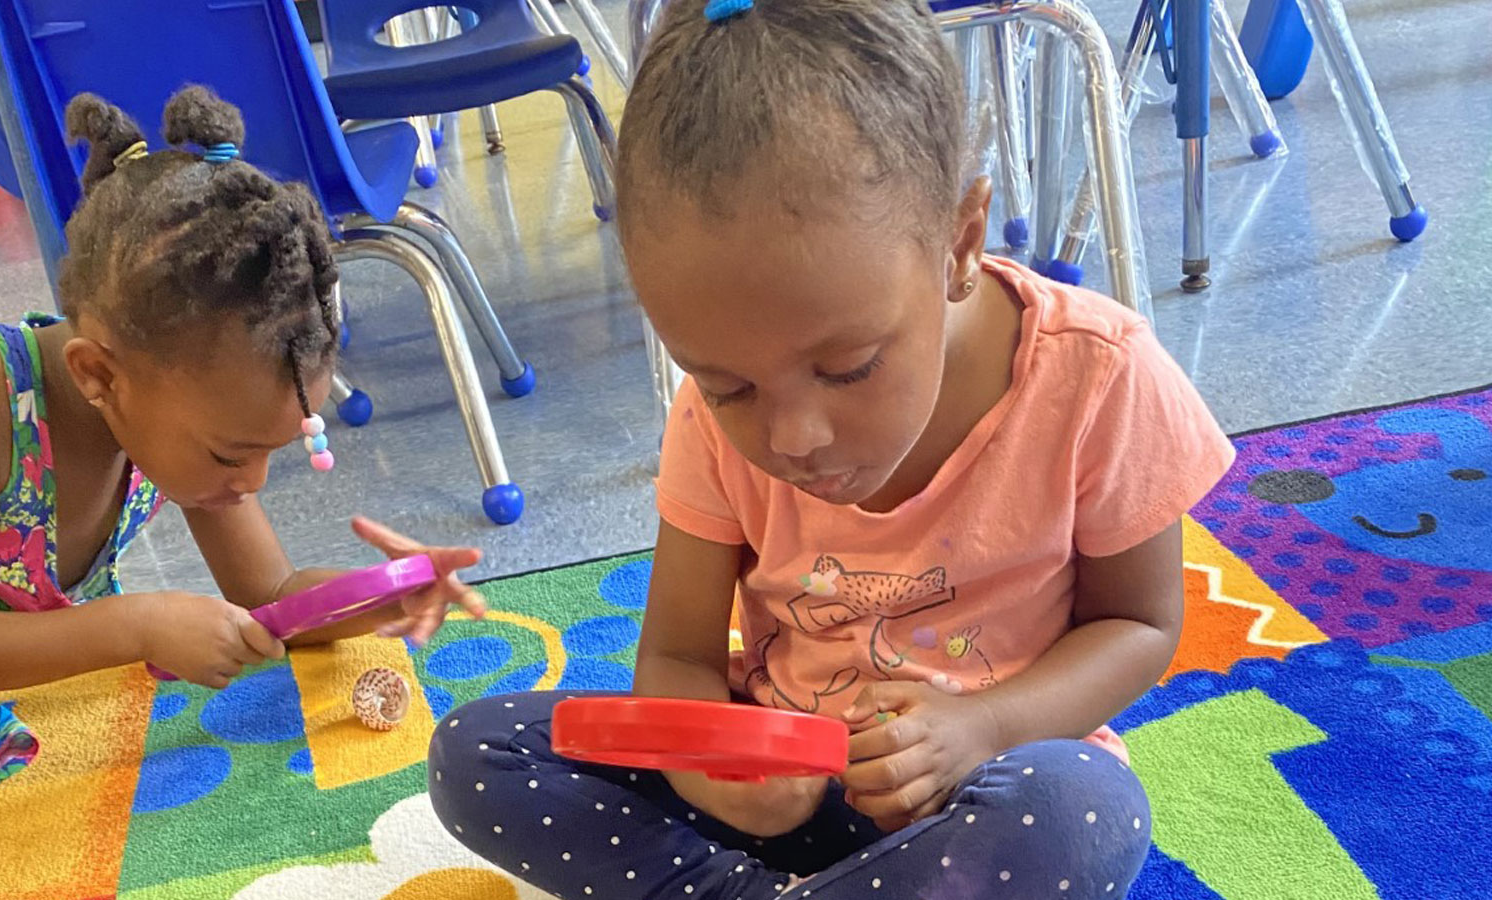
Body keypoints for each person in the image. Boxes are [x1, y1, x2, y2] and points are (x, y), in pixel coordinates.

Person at [431, 0, 1236, 896]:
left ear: (960, 241)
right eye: (728, 386)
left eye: (848, 367)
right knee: (483, 750)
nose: (792, 439)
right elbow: (678, 661)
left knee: (1080, 818)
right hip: (782, 782)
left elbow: (1140, 626)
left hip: (980, 786)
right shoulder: (708, 422)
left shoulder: (1099, 376)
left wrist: (985, 728)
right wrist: (713, 761)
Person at [0, 87, 486, 882]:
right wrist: (135, 626)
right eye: (230, 454)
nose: (253, 480)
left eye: (275, 449)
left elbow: (267, 590)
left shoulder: (159, 405)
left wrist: (380, 592)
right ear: (99, 375)